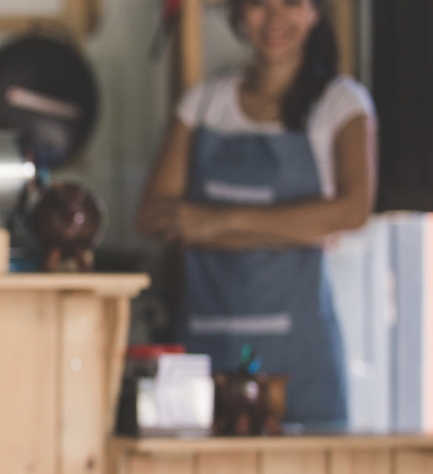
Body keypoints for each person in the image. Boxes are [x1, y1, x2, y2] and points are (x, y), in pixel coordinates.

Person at [137, 0, 376, 431]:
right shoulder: (204, 102)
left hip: (301, 361)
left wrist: (214, 222)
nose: (274, 19)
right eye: (258, 5)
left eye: (290, 3)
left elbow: (352, 211)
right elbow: (154, 216)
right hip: (202, 352)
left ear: (313, 13)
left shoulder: (341, 104)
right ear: (238, 14)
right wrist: (297, 226)